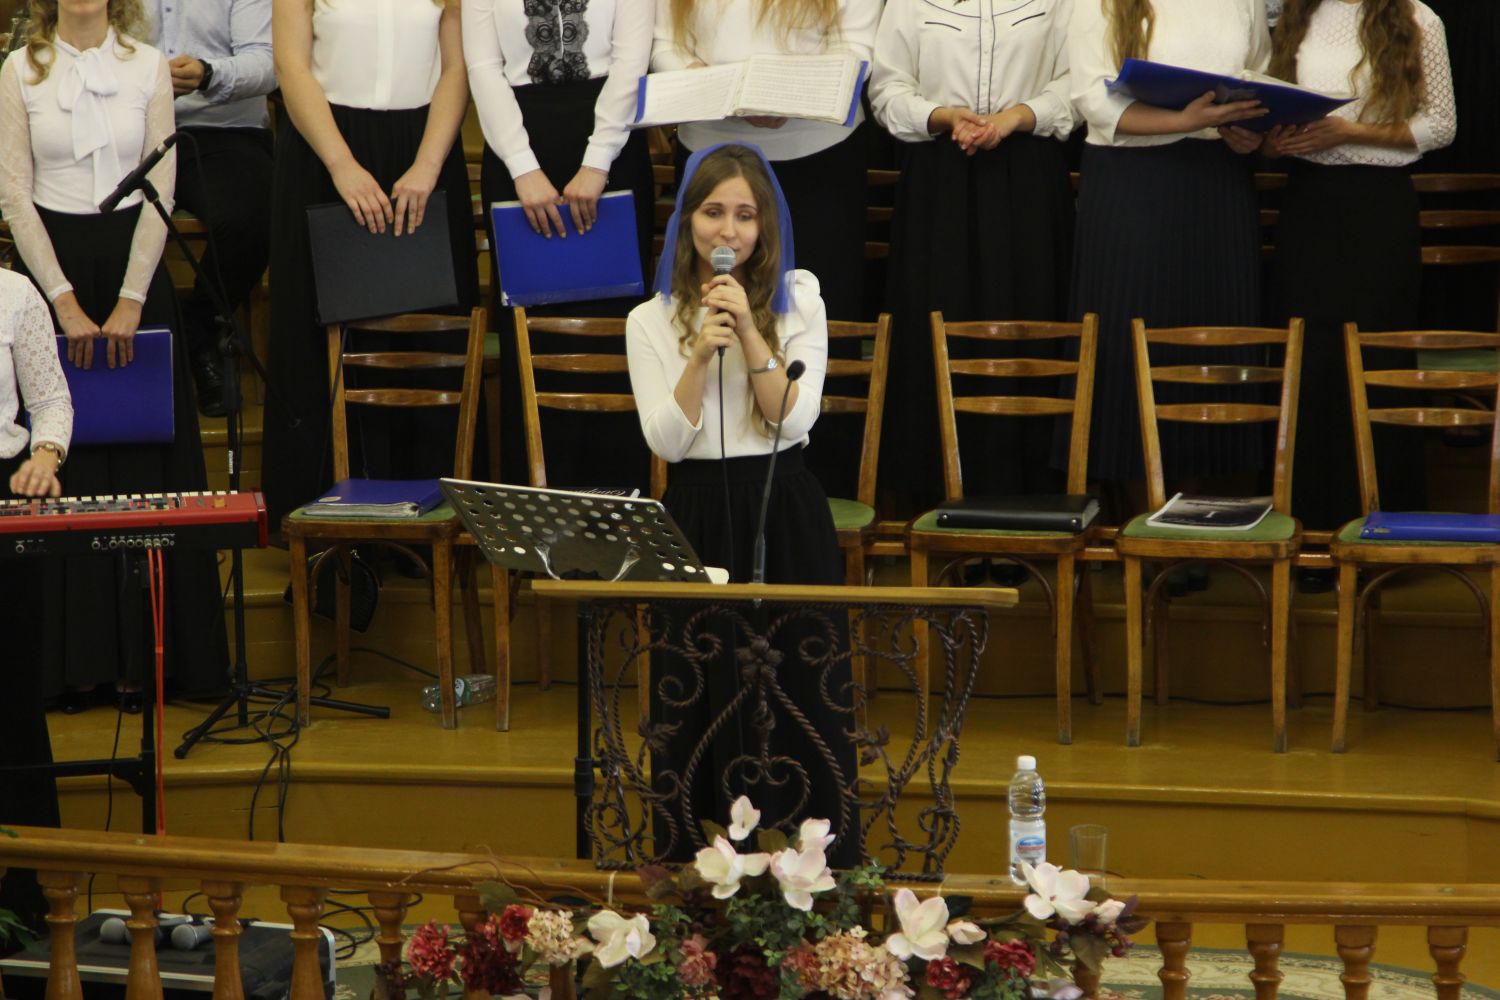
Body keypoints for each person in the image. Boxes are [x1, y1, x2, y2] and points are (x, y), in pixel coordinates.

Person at [625, 142, 857, 864]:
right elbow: (666, 440)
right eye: (713, 212)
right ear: (687, 220)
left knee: (800, 696)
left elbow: (792, 419)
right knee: (698, 697)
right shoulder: (650, 320)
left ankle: (816, 873)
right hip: (695, 512)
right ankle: (697, 875)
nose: (728, 230)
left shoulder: (801, 301)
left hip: (783, 504)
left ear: (765, 227)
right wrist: (699, 354)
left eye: (745, 215)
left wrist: (752, 332)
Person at [0, 0, 229, 709]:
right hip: (53, 272)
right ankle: (72, 665)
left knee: (142, 461)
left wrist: (132, 298)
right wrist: (61, 301)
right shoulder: (17, 69)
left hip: (136, 268)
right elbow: (14, 193)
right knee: (72, 463)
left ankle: (151, 660)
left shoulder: (148, 64)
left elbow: (162, 185)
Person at [263, 0, 478, 533]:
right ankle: (329, 529)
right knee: (323, 343)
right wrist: (342, 165)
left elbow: (457, 67)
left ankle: (428, 520)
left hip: (423, 155)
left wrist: (428, 165)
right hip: (325, 153)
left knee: (425, 338)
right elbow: (292, 66)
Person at [1261, 0, 1455, 588]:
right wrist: (1276, 143)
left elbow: (1441, 125)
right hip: (1309, 203)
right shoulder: (1293, 16)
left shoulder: (1417, 17)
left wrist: (1351, 131)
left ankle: (1383, 538)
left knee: (1376, 361)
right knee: (1311, 365)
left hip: (1379, 207)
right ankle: (1312, 537)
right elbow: (1265, 127)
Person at [1064, 0, 1274, 519]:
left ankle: (1205, 514)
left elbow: (1258, 77)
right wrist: (1180, 120)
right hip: (1131, 180)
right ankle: (1141, 516)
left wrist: (1249, 131)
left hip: (1216, 179)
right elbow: (1091, 97)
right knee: (1132, 334)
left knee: (1212, 329)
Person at [870, 0, 1078, 507]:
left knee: (1029, 319)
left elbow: (1076, 84)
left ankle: (1030, 493)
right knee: (937, 319)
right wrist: (942, 116)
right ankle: (935, 493)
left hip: (1029, 174)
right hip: (938, 175)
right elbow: (887, 89)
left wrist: (1015, 117)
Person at [461, 0, 655, 489]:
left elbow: (632, 61)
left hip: (613, 148)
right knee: (531, 334)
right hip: (517, 153)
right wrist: (522, 166)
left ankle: (622, 503)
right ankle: (536, 501)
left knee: (615, 332)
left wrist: (599, 159)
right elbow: (482, 68)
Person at [651, 0, 880, 325]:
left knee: (817, 307)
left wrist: (789, 94)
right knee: (709, 303)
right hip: (710, 150)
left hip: (817, 157)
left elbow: (856, 48)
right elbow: (664, 43)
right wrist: (697, 76)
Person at [143, 0, 276, 418]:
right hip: (128, 130)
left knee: (255, 215)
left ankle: (194, 331)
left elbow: (268, 62)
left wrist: (209, 73)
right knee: (92, 212)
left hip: (223, 129)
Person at [0, 270, 70, 932]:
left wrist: (44, 457)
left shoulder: (16, 294)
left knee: (13, 694)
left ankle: (28, 896)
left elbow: (50, 400)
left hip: (8, 491)